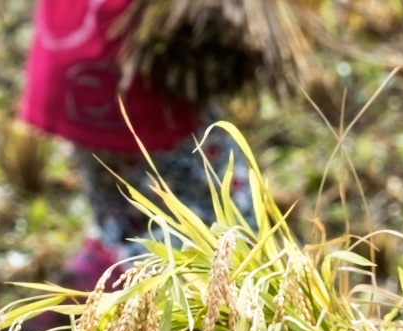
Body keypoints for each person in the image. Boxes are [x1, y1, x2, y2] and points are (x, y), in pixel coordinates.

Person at [18, 0, 251, 289]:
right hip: (137, 75)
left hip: (76, 66)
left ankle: (107, 265)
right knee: (222, 212)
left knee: (117, 199)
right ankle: (132, 285)